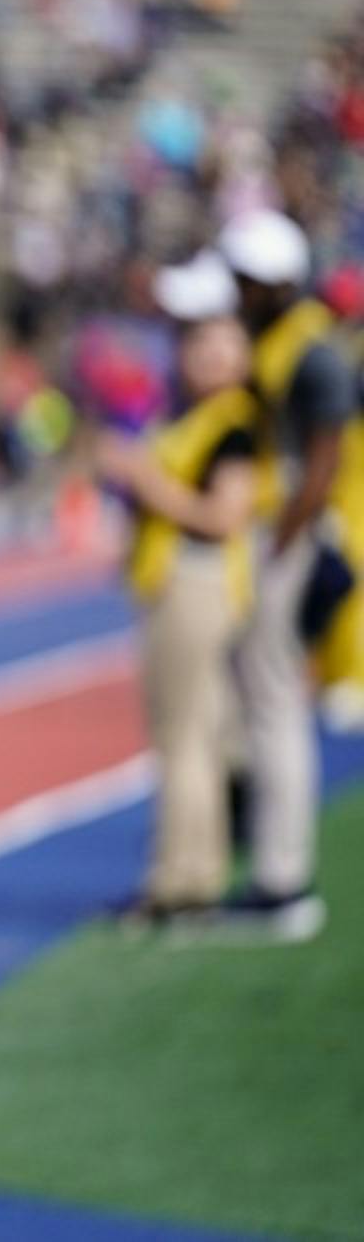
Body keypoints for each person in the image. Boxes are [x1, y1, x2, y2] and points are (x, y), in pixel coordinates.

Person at [99, 253, 259, 926]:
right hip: (183, 578)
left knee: (185, 737)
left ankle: (181, 882)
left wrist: (147, 484)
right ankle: (192, 875)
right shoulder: (195, 416)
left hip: (195, 581)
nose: (196, 355)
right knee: (197, 733)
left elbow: (225, 515)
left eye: (210, 343)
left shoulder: (232, 424)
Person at [214, 209, 349, 940]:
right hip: (281, 530)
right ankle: (270, 863)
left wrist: (282, 541)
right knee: (262, 699)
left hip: (291, 536)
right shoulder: (286, 340)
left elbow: (323, 460)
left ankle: (282, 877)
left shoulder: (312, 351)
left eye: (243, 280)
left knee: (274, 704)